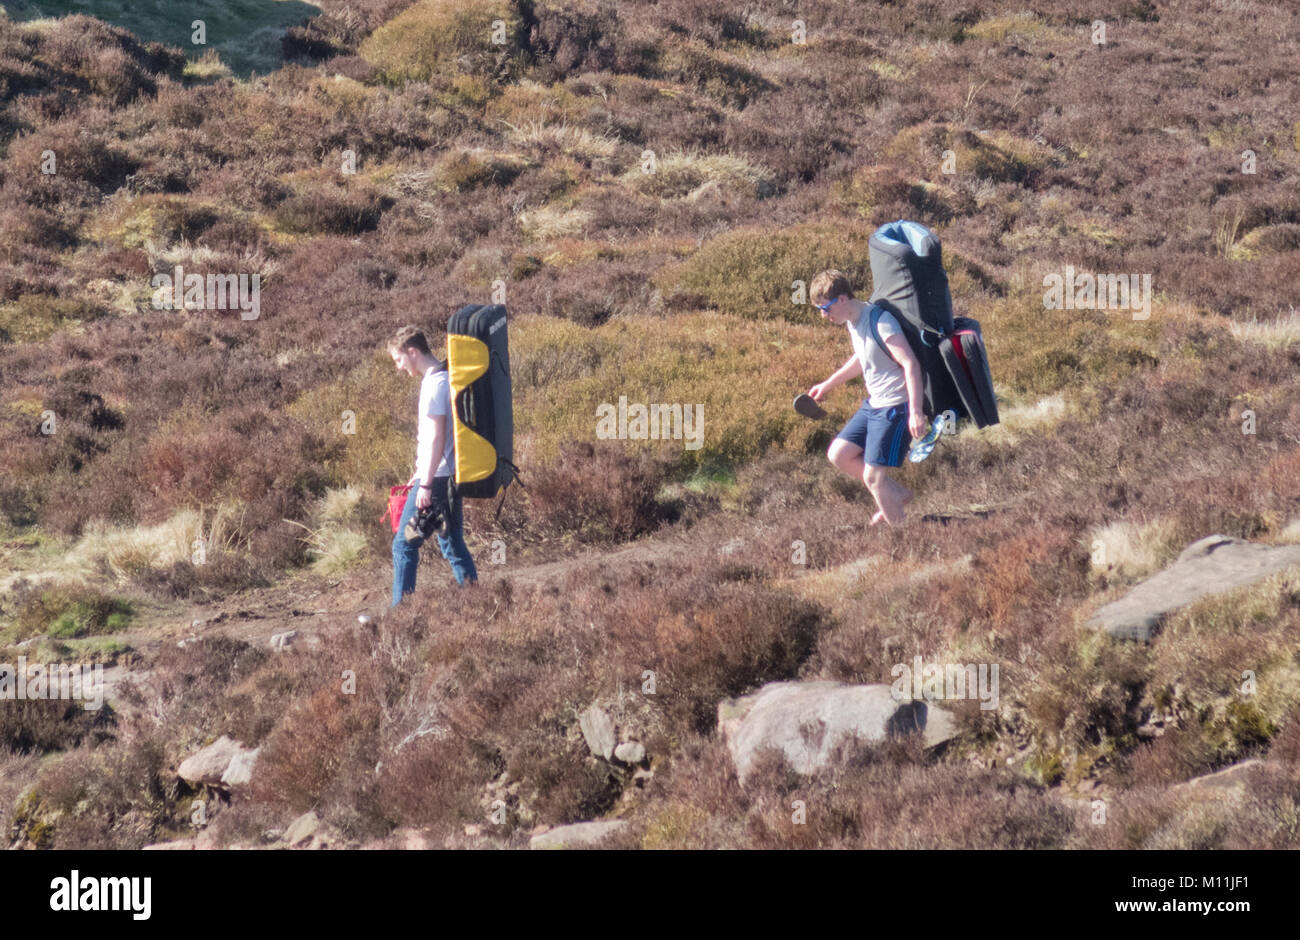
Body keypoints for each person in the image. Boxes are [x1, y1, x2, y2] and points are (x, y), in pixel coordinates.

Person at [807, 270, 927, 526]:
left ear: (841, 299)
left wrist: (916, 411)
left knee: (873, 478)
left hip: (895, 406)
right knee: (838, 454)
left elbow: (910, 364)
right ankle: (895, 494)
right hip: (874, 404)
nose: (823, 315)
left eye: (825, 308)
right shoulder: (853, 321)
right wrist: (827, 385)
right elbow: (862, 358)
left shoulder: (881, 322)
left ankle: (903, 537)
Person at [388, 324, 477, 606]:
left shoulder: (437, 383)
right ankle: (477, 600)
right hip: (438, 476)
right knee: (451, 542)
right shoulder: (436, 378)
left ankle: (400, 613)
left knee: (404, 545)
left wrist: (424, 484)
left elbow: (437, 438)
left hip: (437, 480)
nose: (399, 367)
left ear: (412, 352)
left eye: (398, 359)